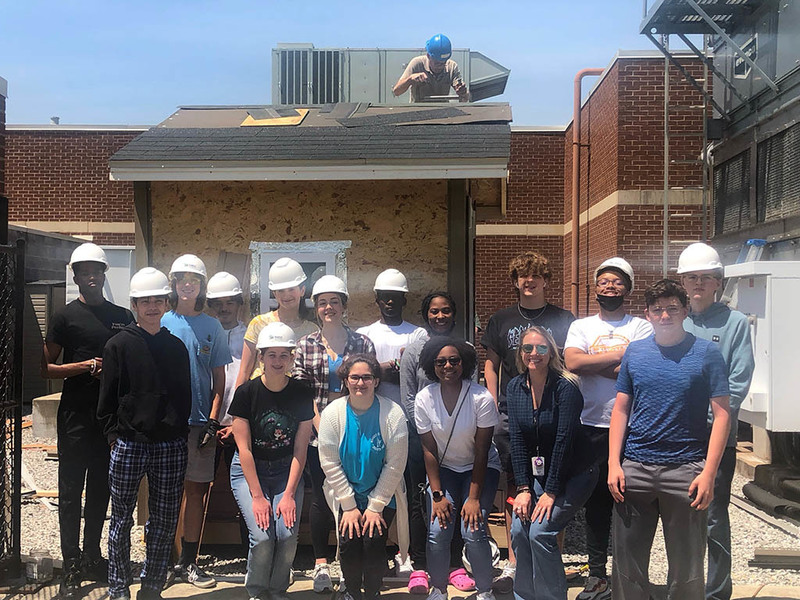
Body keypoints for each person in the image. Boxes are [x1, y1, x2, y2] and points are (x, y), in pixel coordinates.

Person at [608, 279, 731, 600]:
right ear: (647, 315)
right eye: (657, 310)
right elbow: (621, 410)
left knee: (688, 566)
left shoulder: (707, 353)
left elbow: (722, 416)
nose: (665, 315)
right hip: (634, 467)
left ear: (685, 311)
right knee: (627, 565)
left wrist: (708, 473)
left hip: (686, 470)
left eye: (672, 309)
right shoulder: (635, 352)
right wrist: (613, 464)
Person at [41, 243, 135, 599]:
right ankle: (71, 563)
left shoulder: (122, 316)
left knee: (101, 492)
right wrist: (85, 366)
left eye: (97, 270)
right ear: (76, 276)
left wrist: (112, 372)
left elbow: (131, 363)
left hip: (108, 419)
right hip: (74, 418)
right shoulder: (65, 317)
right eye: (84, 271)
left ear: (104, 274)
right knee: (69, 494)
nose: (91, 276)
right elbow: (46, 368)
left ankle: (94, 556)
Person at [480, 251, 575, 591]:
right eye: (522, 275)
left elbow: (571, 364)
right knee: (515, 483)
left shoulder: (565, 319)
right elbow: (491, 365)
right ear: (516, 282)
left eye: (536, 275)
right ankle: (514, 561)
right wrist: (493, 402)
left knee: (554, 483)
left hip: (553, 411)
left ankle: (551, 553)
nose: (529, 280)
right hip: (513, 410)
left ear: (546, 280)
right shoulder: (501, 319)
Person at [97, 267, 192, 600]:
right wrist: (113, 437)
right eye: (145, 301)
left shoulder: (176, 347)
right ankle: (118, 586)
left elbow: (184, 396)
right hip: (128, 443)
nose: (152, 306)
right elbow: (107, 397)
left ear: (166, 303)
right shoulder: (118, 345)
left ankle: (152, 584)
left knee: (164, 519)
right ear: (134, 305)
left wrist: (179, 435)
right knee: (121, 518)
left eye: (157, 300)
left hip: (169, 445)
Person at [563, 258, 653, 600]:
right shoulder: (581, 326)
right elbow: (572, 362)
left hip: (632, 426)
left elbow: (639, 368)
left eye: (617, 282)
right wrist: (620, 359)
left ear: (627, 289)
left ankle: (630, 577)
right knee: (597, 504)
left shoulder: (642, 327)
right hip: (589, 426)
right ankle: (598, 575)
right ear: (595, 288)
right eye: (603, 282)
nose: (609, 286)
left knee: (630, 504)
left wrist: (593, 363)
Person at [677, 243, 755, 600]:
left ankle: (717, 592)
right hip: (677, 435)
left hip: (715, 434)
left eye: (704, 277)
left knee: (713, 516)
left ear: (716, 282)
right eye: (691, 277)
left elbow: (738, 380)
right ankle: (686, 588)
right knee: (679, 516)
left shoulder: (735, 323)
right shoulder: (677, 319)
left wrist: (713, 419)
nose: (697, 283)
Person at [292, 275, 376, 592]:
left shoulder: (362, 344)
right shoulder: (305, 345)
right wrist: (324, 431)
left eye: (334, 302)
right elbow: (303, 394)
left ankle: (349, 563)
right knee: (322, 500)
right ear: (316, 307)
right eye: (323, 302)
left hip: (357, 435)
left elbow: (367, 388)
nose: (329, 307)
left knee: (352, 496)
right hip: (318, 437)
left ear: (344, 306)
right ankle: (321, 564)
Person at [508, 326, 598, 600]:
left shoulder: (566, 387)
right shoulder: (515, 387)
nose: (534, 354)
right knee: (518, 529)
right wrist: (523, 488)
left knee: (540, 533)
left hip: (575, 473)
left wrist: (550, 492)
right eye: (528, 348)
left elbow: (564, 440)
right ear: (521, 353)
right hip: (540, 475)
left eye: (541, 348)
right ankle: (524, 595)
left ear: (551, 352)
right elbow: (517, 439)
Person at [228, 322, 314, 600]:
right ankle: (256, 591)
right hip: (249, 471)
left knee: (288, 535)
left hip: (285, 470)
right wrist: (257, 497)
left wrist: (288, 494)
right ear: (261, 357)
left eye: (284, 355)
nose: (278, 361)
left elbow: (301, 448)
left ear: (292, 358)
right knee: (263, 537)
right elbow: (245, 450)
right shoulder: (245, 394)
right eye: (271, 355)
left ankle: (277, 591)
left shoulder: (301, 392)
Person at [161, 254, 232, 589]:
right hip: (165, 424)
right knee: (166, 493)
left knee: (196, 493)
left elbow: (220, 381)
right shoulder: (162, 320)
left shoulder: (212, 327)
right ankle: (164, 562)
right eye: (181, 279)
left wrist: (213, 422)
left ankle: (189, 563)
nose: (187, 285)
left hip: (199, 424)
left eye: (194, 279)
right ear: (173, 284)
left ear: (202, 285)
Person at [318, 354, 409, 600]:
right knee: (348, 543)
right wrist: (348, 506)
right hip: (346, 494)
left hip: (382, 493)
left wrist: (375, 506)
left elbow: (395, 464)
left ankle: (372, 593)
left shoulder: (393, 414)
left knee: (373, 541)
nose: (361, 383)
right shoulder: (332, 414)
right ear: (345, 381)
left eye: (367, 377)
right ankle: (351, 591)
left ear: (376, 381)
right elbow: (329, 462)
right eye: (355, 377)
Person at [415, 338, 501, 600]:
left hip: (481, 469)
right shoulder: (424, 398)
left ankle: (485, 590)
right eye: (441, 362)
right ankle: (438, 589)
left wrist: (473, 498)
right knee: (438, 530)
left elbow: (482, 450)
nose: (448, 366)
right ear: (433, 365)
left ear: (464, 363)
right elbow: (429, 450)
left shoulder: (481, 397)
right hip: (446, 470)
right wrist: (438, 495)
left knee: (472, 529)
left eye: (454, 360)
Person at [399, 292, 457, 580]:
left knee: (453, 494)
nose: (440, 316)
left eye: (446, 311)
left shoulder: (462, 348)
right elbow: (407, 396)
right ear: (426, 315)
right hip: (419, 437)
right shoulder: (413, 351)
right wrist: (425, 430)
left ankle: (454, 562)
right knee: (419, 496)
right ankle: (420, 564)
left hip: (455, 436)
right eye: (434, 311)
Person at [236, 257, 318, 386]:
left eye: (291, 289)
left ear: (302, 290)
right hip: (259, 396)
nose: (286, 295)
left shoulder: (312, 331)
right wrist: (238, 403)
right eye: (281, 290)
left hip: (294, 397)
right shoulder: (258, 324)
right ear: (274, 293)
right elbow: (244, 372)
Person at [357, 268, 427, 411]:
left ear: (404, 300)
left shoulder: (418, 334)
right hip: (372, 412)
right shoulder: (363, 334)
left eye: (395, 297)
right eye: (385, 296)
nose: (390, 301)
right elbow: (358, 373)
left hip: (407, 413)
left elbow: (417, 374)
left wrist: (377, 371)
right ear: (377, 300)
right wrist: (396, 367)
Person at [205, 271, 247, 449]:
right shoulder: (204, 333)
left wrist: (237, 420)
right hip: (207, 420)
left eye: (230, 302)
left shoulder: (249, 336)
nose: (224, 308)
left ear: (239, 304)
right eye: (218, 304)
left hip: (240, 420)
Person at [393, 34, 469, 102]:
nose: (440, 66)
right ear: (428, 56)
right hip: (418, 111)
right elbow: (396, 91)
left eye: (443, 63)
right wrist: (410, 79)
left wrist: (463, 92)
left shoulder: (452, 66)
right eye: (436, 63)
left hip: (443, 112)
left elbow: (466, 97)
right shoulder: (417, 64)